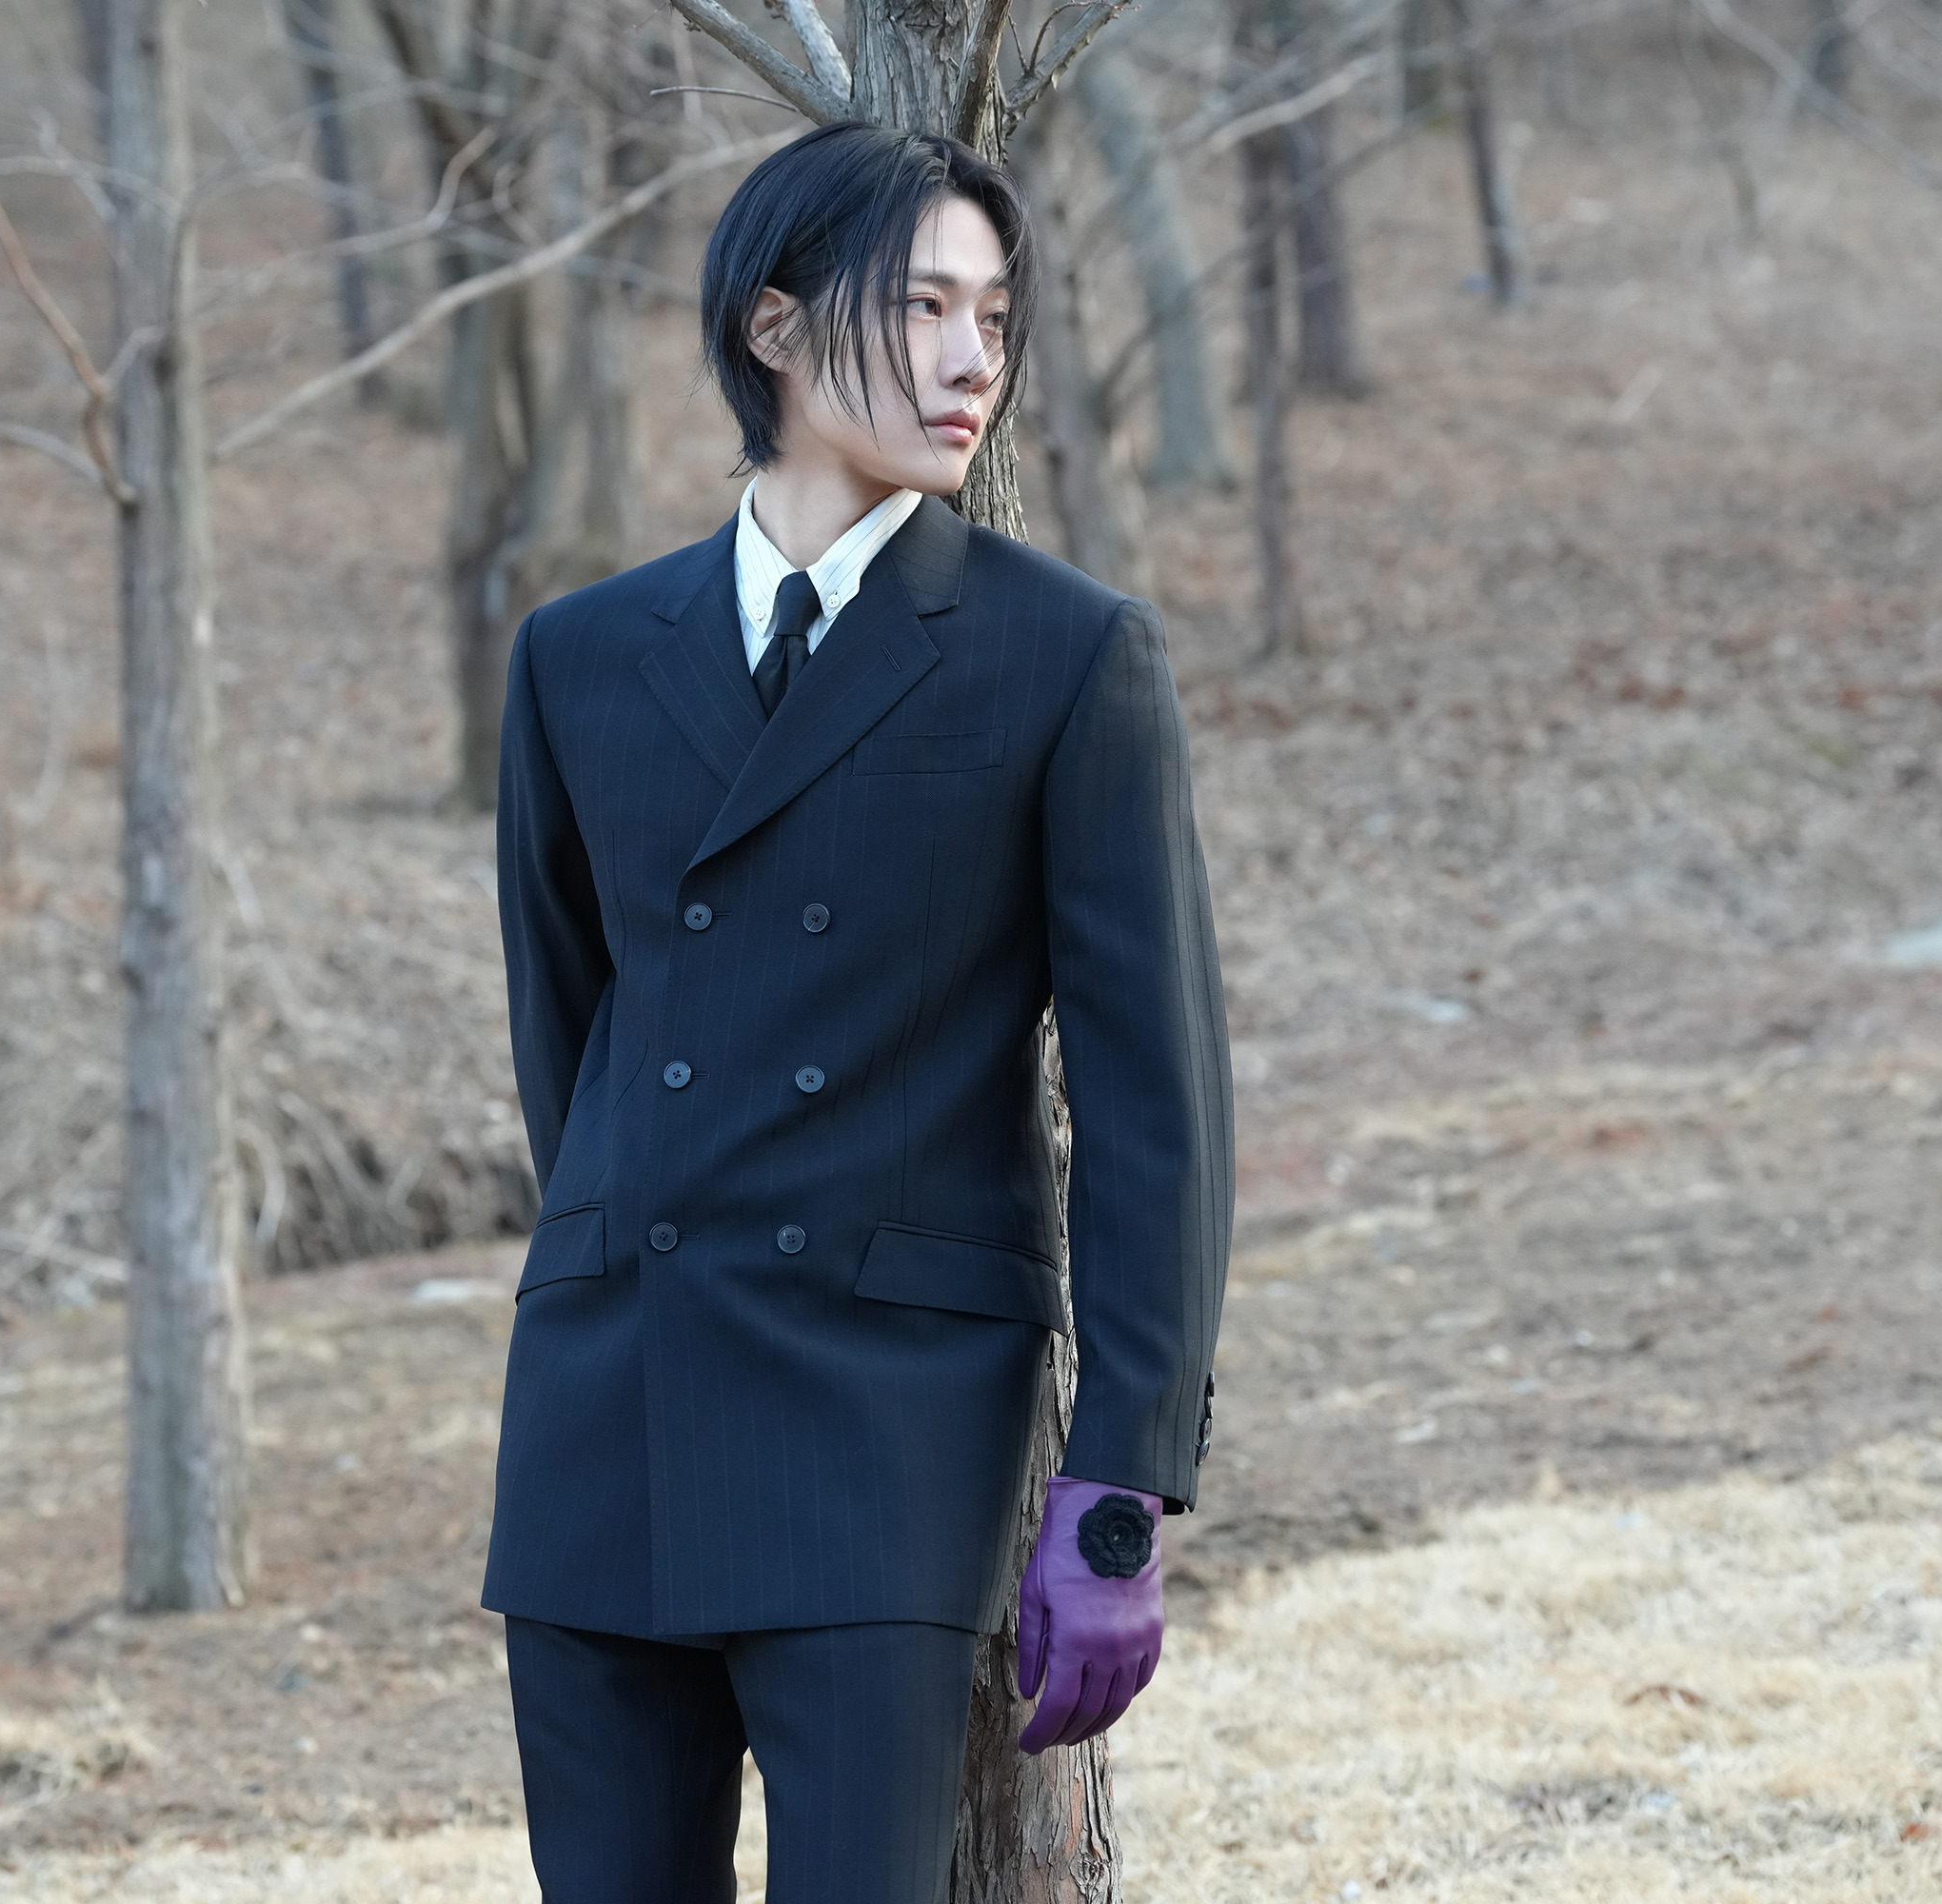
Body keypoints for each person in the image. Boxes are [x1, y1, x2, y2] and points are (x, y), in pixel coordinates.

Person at [483, 119, 1232, 1904]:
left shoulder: (1066, 653)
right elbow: (572, 1040)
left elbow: (1156, 1105)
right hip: (607, 1416)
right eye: (923, 307)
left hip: (882, 1427)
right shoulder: (582, 655)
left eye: (997, 316)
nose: (976, 360)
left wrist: (1120, 1482)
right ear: (775, 326)